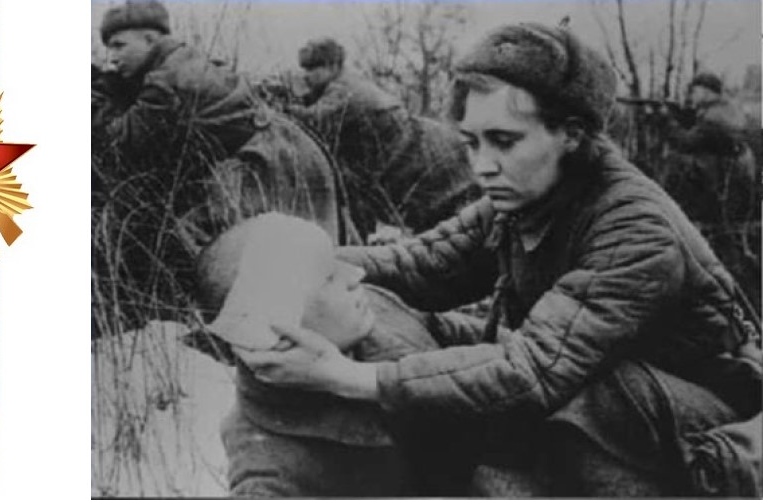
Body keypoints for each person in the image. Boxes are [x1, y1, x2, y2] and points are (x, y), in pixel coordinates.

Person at [235, 23, 762, 497]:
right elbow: (426, 264)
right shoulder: (527, 194)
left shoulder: (634, 226)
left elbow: (534, 372)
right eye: (471, 143)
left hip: (702, 412)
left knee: (581, 395)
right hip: (595, 381)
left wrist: (344, 376)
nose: (483, 166)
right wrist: (307, 260)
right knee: (418, 328)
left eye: (504, 142)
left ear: (572, 135)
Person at [91, 0, 344, 328]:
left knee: (269, 258)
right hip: (286, 149)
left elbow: (123, 142)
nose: (112, 57)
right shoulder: (181, 59)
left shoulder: (166, 81)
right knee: (301, 257)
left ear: (150, 39)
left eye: (119, 46)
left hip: (268, 164)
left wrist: (100, 95)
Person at [192, 212, 455, 497]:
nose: (356, 274)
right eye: (329, 277)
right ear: (280, 333)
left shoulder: (364, 310)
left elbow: (468, 341)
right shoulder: (270, 468)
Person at [286, 37, 477, 242]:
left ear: (332, 65)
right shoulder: (342, 85)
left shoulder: (344, 89)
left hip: (421, 161)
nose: (306, 75)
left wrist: (282, 106)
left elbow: (314, 120)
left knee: (448, 226)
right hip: (419, 155)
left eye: (313, 68)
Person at [662, 71, 761, 308]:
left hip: (716, 195)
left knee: (724, 258)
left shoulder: (714, 119)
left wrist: (667, 121)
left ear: (707, 92)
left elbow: (686, 142)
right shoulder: (725, 112)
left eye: (695, 91)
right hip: (729, 192)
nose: (692, 95)